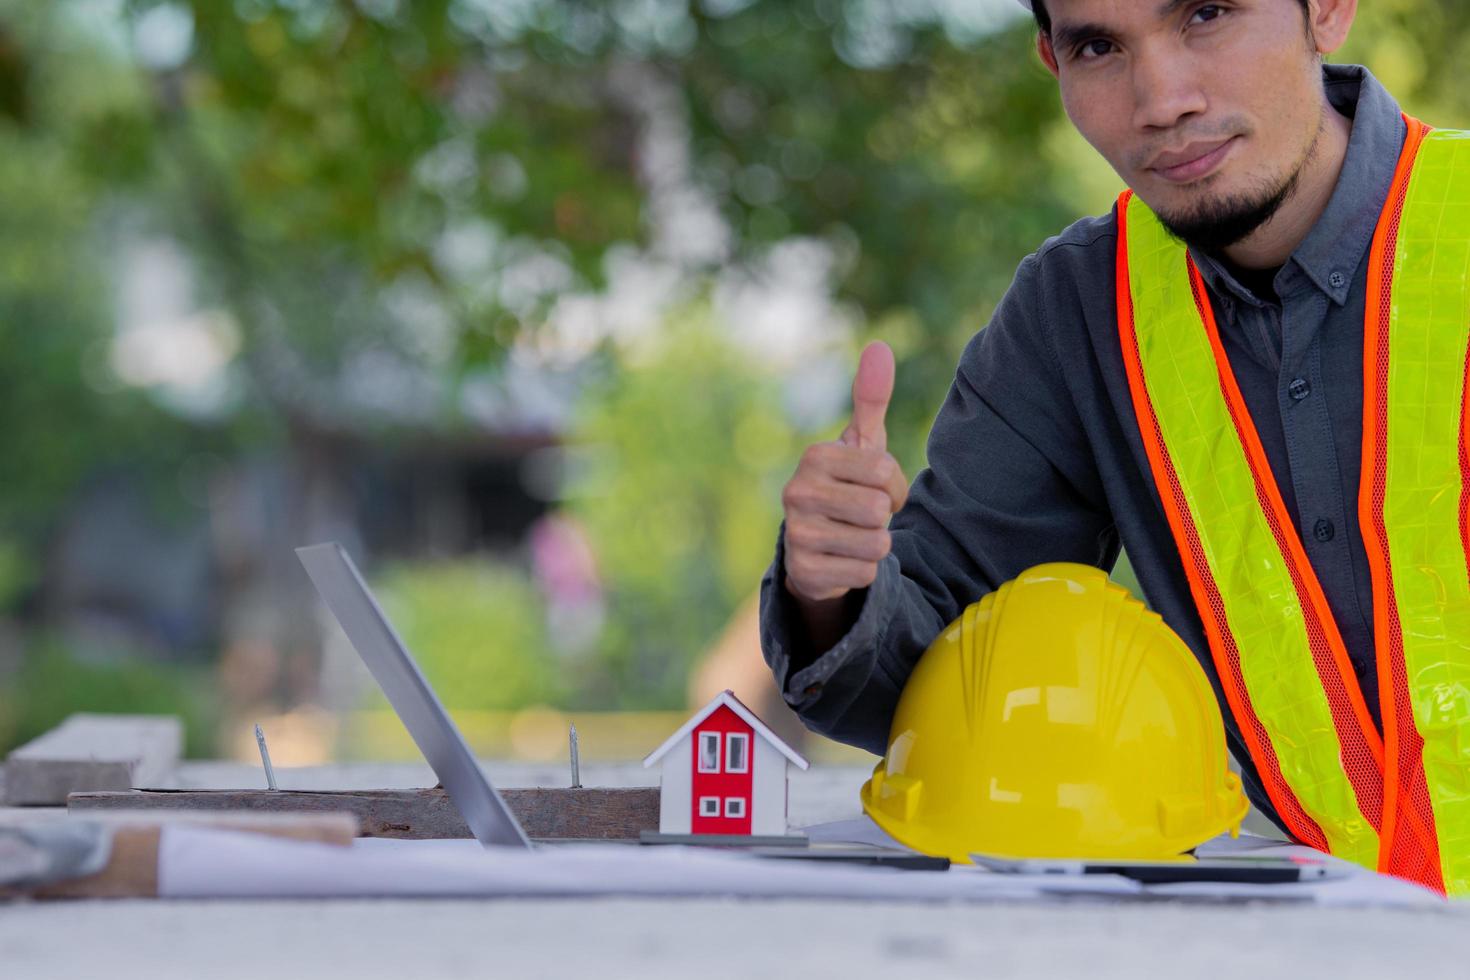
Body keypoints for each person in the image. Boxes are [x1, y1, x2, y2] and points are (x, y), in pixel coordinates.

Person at [759, 0, 1470, 895]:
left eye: (1206, 13)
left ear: (1324, 8)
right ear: (1053, 64)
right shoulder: (1078, 315)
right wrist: (832, 586)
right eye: (1099, 46)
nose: (1162, 98)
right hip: (1318, 942)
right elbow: (943, 677)